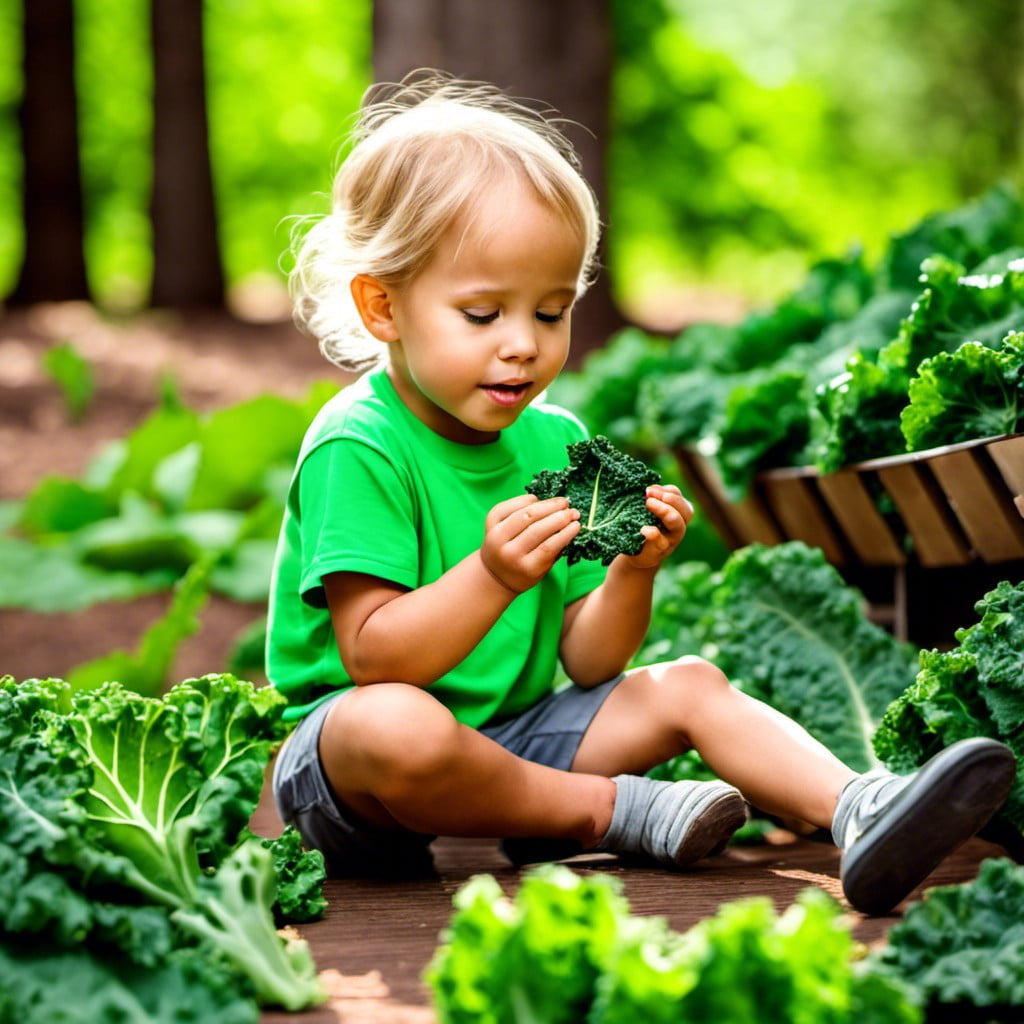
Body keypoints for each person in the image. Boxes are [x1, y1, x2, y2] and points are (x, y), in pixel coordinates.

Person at [267, 69, 1015, 916]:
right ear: (383, 307)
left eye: (551, 312)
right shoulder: (357, 445)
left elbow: (589, 662)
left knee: (690, 682)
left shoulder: (557, 440)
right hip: (354, 778)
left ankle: (861, 807)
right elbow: (373, 656)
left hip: (513, 735)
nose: (523, 346)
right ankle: (608, 810)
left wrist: (632, 575)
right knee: (395, 721)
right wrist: (494, 576)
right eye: (483, 315)